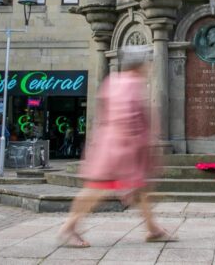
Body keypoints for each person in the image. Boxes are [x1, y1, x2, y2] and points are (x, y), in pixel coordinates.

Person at [58, 45, 174, 248]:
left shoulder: (113, 81)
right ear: (139, 65)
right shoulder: (131, 84)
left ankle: (153, 229)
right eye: (146, 62)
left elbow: (106, 115)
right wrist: (139, 153)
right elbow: (129, 122)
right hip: (121, 151)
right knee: (96, 189)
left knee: (138, 190)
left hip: (109, 145)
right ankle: (69, 227)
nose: (149, 66)